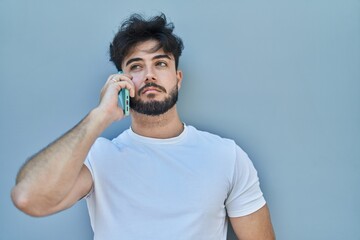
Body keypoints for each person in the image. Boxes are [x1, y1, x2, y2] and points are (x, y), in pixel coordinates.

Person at [11, 13, 275, 240]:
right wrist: (99, 116)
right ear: (121, 81)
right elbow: (28, 198)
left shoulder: (227, 156)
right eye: (136, 66)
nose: (149, 74)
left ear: (177, 78)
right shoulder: (99, 157)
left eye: (160, 63)